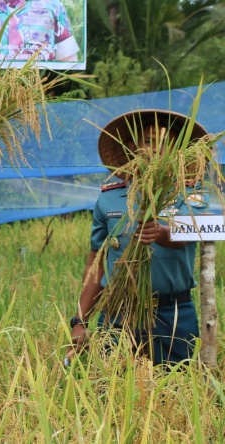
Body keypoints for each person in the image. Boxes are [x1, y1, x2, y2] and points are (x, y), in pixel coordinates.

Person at [67, 109, 209, 366]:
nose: (156, 150)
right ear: (132, 146)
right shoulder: (109, 198)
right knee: (112, 393)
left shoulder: (190, 195)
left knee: (178, 392)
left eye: (166, 143)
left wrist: (163, 233)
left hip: (173, 314)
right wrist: (80, 321)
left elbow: (193, 230)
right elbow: (96, 264)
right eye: (148, 141)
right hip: (117, 312)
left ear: (178, 150)